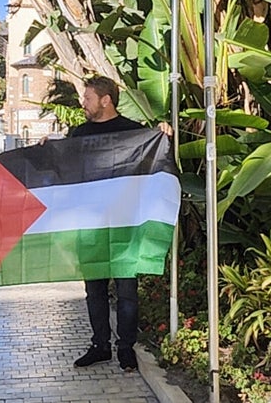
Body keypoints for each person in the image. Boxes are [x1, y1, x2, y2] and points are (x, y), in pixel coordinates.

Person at [42, 76, 173, 372]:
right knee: (95, 291)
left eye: (87, 99)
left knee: (127, 290)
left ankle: (125, 348)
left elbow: (154, 159)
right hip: (90, 226)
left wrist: (162, 132)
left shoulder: (134, 132)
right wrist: (46, 149)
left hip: (125, 225)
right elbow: (62, 166)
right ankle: (100, 345)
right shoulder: (78, 134)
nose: (82, 104)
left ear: (106, 100)